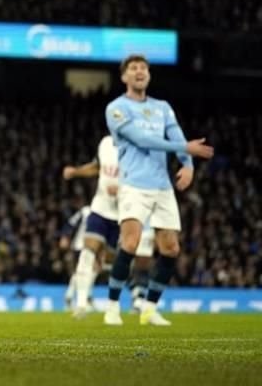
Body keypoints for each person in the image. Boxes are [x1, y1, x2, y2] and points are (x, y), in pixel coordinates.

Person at [103, 55, 214, 326]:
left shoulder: (162, 107)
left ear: (149, 75)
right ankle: (113, 306)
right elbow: (142, 139)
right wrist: (184, 149)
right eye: (133, 68)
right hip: (134, 185)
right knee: (130, 243)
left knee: (171, 248)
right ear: (124, 77)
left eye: (144, 68)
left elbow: (177, 138)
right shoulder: (116, 108)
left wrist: (188, 165)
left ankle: (150, 309)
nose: (139, 72)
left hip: (162, 186)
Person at [62, 136, 120, 318]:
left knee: (106, 263)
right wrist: (76, 172)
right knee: (87, 254)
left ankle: (118, 305)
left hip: (122, 214)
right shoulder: (105, 143)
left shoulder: (140, 149)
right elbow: (96, 166)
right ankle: (80, 304)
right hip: (100, 209)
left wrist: (124, 190)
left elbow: (146, 181)